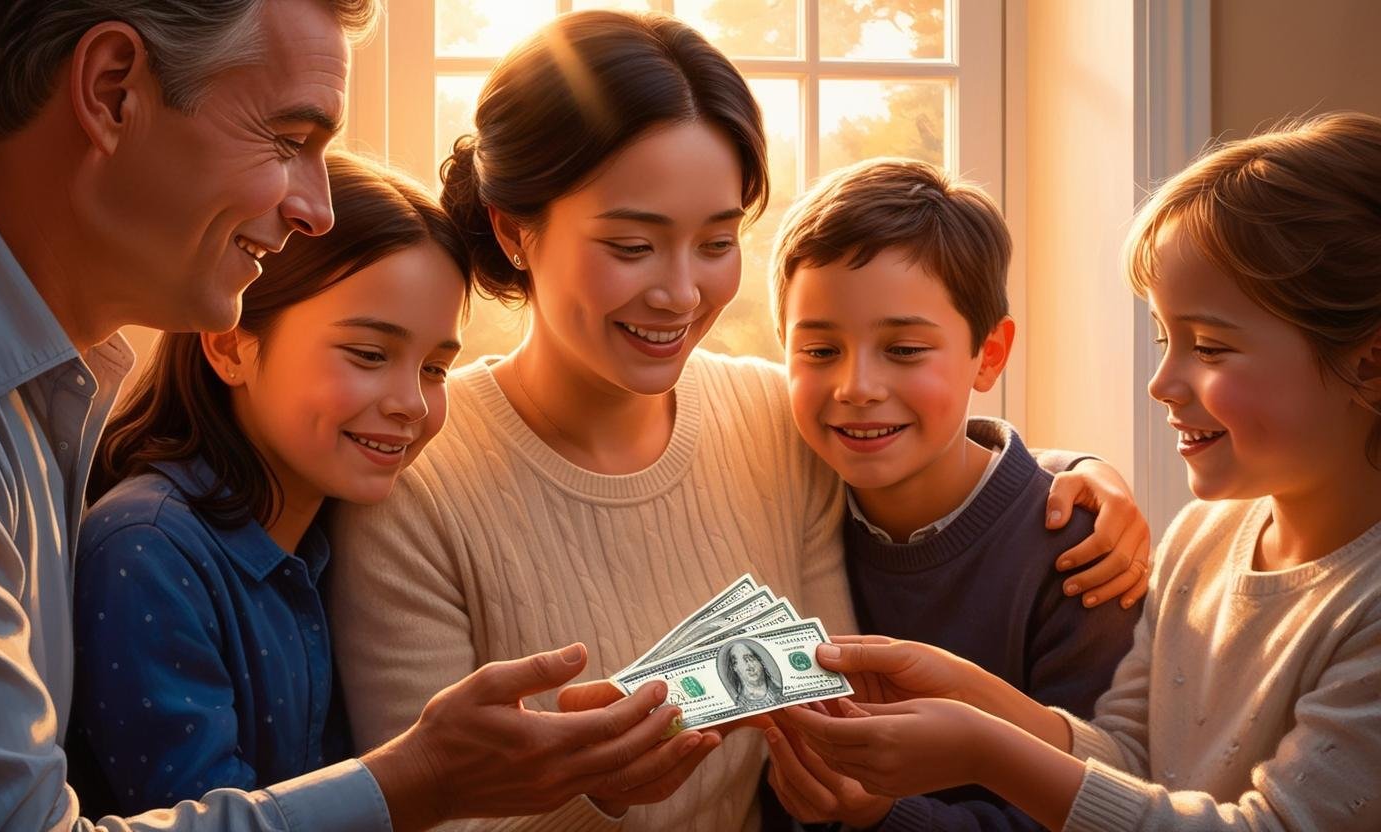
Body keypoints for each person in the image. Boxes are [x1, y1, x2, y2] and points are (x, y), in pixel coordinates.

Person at [327, 10, 1151, 831]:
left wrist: (1077, 475)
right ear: (514, 230)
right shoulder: (413, 479)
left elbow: (924, 454)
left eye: (716, 242)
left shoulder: (771, 419)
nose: (680, 294)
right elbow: (421, 814)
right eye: (632, 245)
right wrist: (599, 791)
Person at [0, 2, 705, 829]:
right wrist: (418, 781)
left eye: (437, 365)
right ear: (112, 92)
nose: (314, 210)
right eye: (290, 140)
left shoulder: (26, 387)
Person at [778, 112, 1381, 832]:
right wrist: (972, 693)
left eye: (1211, 348)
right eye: (1165, 338)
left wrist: (983, 749)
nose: (1161, 383)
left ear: (1368, 365)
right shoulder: (1203, 538)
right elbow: (1125, 759)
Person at [760, 158, 1142, 830]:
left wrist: (886, 815)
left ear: (989, 355)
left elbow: (1105, 806)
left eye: (904, 349)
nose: (857, 387)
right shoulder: (784, 499)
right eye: (819, 351)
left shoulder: (1081, 555)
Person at [722, 641, 784, 709]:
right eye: (742, 663)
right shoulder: (739, 704)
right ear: (734, 668)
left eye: (750, 659)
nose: (750, 667)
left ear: (761, 662)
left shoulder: (780, 691)